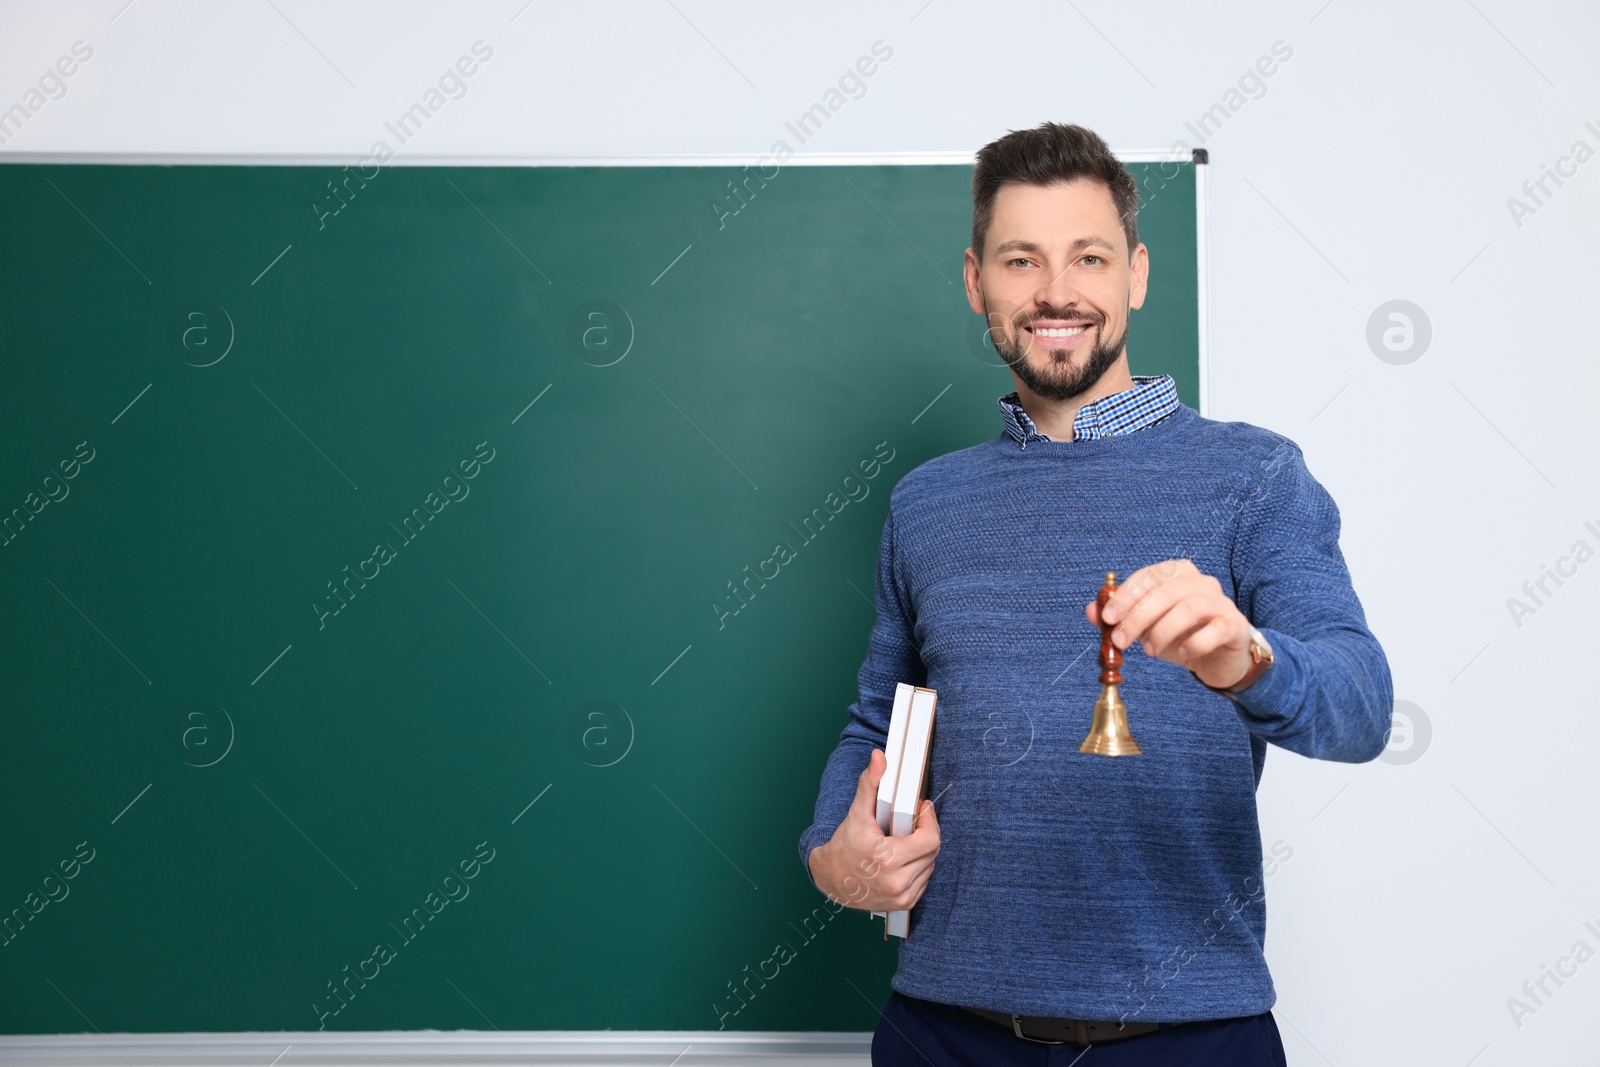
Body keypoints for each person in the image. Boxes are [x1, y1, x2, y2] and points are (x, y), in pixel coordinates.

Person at [797, 121, 1393, 1065]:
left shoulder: (1257, 476)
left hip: (1193, 1038)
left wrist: (1250, 661)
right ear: (975, 281)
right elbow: (878, 727)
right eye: (1021, 259)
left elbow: (1362, 707)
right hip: (943, 1035)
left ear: (1137, 275)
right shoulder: (926, 502)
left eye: (1089, 257)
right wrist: (833, 858)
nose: (1057, 292)